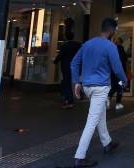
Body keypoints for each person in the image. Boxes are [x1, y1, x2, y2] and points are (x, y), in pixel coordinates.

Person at [71, 18, 128, 168]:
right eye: (115, 30)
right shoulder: (110, 46)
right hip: (100, 87)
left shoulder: (87, 44)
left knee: (100, 114)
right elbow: (117, 68)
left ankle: (107, 143)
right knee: (92, 121)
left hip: (87, 87)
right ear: (112, 30)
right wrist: (125, 80)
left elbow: (74, 63)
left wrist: (76, 81)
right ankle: (80, 156)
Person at [54, 18, 82, 109]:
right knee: (75, 82)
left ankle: (69, 101)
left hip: (66, 67)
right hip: (76, 67)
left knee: (66, 83)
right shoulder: (78, 45)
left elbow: (60, 56)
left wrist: (55, 60)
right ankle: (73, 97)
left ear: (66, 37)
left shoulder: (65, 46)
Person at [107, 38, 128, 111]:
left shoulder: (112, 49)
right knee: (120, 87)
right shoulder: (121, 49)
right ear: (121, 43)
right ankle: (118, 103)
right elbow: (124, 60)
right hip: (120, 73)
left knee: (114, 86)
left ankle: (108, 97)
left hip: (113, 72)